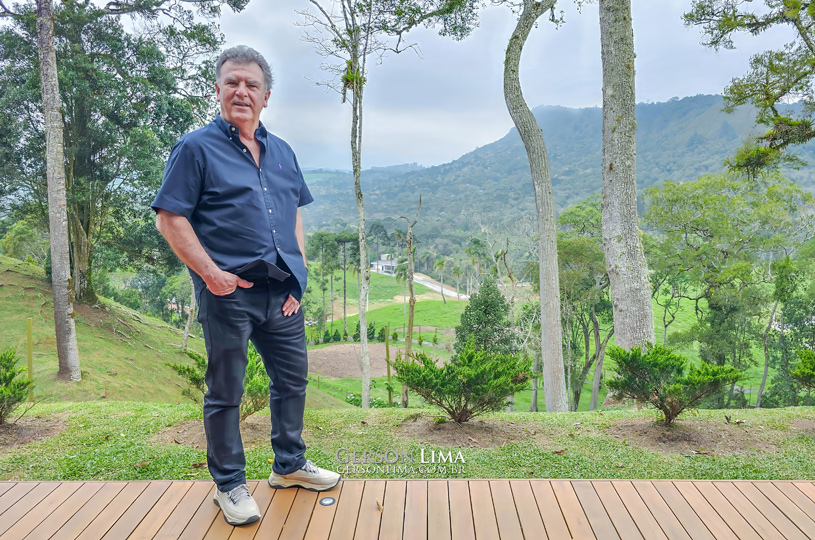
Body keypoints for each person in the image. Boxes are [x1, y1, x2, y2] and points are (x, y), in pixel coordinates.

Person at [152, 45, 340, 526]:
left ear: (266, 96)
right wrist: (211, 275)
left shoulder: (283, 152)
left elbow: (293, 217)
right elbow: (170, 218)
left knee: (292, 381)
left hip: (282, 294)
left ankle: (289, 465)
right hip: (228, 293)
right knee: (226, 392)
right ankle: (230, 484)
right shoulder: (195, 148)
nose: (242, 91)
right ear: (217, 90)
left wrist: (299, 277)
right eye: (232, 82)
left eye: (251, 84)